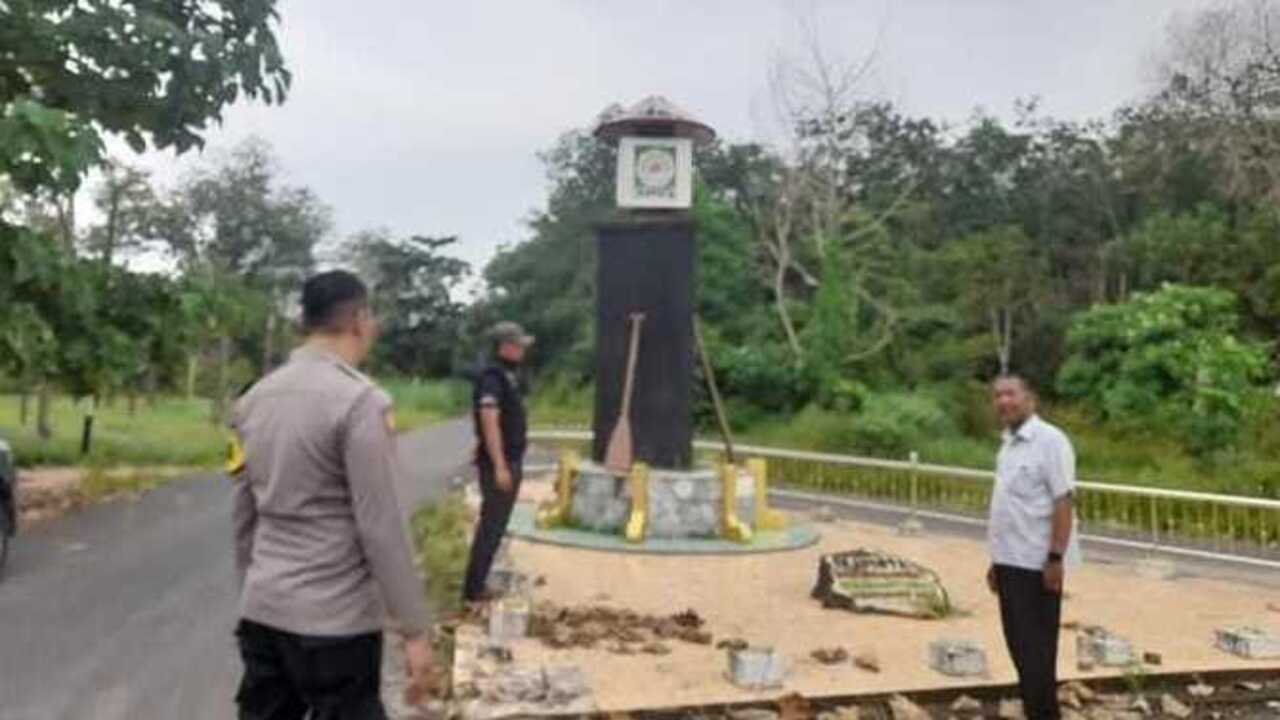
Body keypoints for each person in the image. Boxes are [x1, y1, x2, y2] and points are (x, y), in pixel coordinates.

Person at [230, 270, 435, 720]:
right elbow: (381, 528)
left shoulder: (254, 400)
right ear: (360, 320)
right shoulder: (360, 402)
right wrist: (415, 629)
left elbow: (245, 514)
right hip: (335, 625)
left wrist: (253, 594)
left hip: (265, 613)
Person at [986, 375, 1080, 720]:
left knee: (1038, 655)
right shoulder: (1008, 445)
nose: (1003, 401)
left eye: (1010, 394)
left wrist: (1055, 558)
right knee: (1021, 653)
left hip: (1037, 566)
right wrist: (996, 561)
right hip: (1009, 563)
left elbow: (1063, 501)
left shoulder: (1051, 441)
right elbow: (1008, 509)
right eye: (997, 395)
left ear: (1031, 399)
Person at [461, 321, 534, 605]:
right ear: (505, 346)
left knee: (495, 525)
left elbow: (494, 420)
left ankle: (476, 585)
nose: (523, 351)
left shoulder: (506, 375)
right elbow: (489, 418)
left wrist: (481, 444)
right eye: (519, 345)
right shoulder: (493, 377)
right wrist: (500, 465)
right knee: (491, 525)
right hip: (501, 464)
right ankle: (473, 591)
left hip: (504, 459)